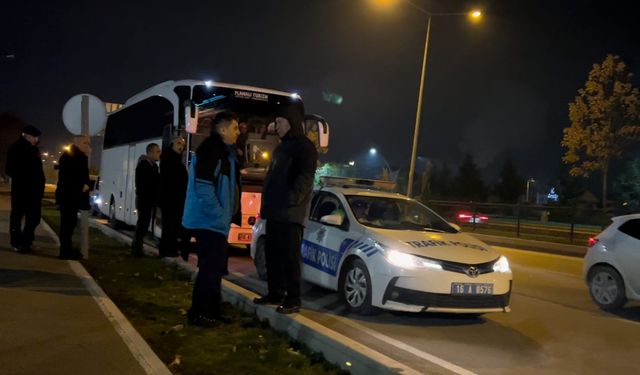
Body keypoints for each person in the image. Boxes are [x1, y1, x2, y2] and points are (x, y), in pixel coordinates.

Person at [254, 104, 318, 314]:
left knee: (290, 256)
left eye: (280, 122)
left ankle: (293, 298)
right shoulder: (281, 148)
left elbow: (305, 179)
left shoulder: (305, 147)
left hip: (290, 213)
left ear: (291, 122)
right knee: (272, 254)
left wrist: (290, 201)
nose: (276, 126)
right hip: (274, 211)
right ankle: (275, 292)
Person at [182, 112, 241, 327]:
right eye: (235, 128)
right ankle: (199, 313)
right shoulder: (211, 151)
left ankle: (212, 311)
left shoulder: (225, 153)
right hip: (209, 222)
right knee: (209, 269)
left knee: (215, 269)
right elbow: (204, 188)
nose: (238, 132)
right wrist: (220, 214)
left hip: (216, 222)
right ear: (222, 130)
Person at [5, 125, 45, 253]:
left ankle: (25, 242)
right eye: (35, 137)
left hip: (32, 191)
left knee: (33, 218)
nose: (37, 140)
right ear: (28, 136)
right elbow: (9, 169)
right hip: (23, 190)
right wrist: (25, 177)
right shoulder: (17, 148)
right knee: (18, 216)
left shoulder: (33, 149)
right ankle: (18, 243)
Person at [55, 136, 91, 260]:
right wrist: (84, 185)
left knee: (69, 224)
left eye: (88, 143)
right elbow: (72, 177)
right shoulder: (75, 157)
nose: (88, 145)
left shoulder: (72, 155)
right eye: (85, 143)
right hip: (70, 197)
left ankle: (66, 250)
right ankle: (65, 252)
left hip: (68, 197)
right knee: (67, 225)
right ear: (77, 143)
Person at [158, 135, 188, 258]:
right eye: (178, 144)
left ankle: (169, 249)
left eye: (182, 145)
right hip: (171, 200)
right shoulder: (169, 160)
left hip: (175, 199)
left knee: (172, 226)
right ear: (172, 145)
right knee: (169, 226)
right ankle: (167, 250)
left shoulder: (174, 160)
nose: (181, 147)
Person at [131, 143, 161, 257]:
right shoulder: (144, 166)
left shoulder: (153, 166)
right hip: (144, 201)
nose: (159, 154)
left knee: (144, 225)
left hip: (149, 201)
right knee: (142, 225)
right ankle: (137, 250)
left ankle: (138, 248)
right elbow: (145, 185)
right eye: (157, 151)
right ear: (150, 152)